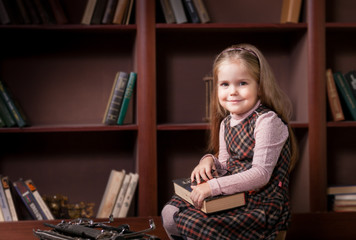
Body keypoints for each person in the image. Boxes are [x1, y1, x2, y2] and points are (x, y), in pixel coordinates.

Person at [161, 43, 298, 240]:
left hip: (261, 203)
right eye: (225, 84)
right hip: (234, 195)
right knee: (170, 213)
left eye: (242, 83)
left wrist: (212, 187)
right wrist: (208, 160)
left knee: (196, 224)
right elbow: (226, 165)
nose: (232, 91)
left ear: (259, 87)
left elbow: (260, 174)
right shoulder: (226, 123)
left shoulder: (267, 121)